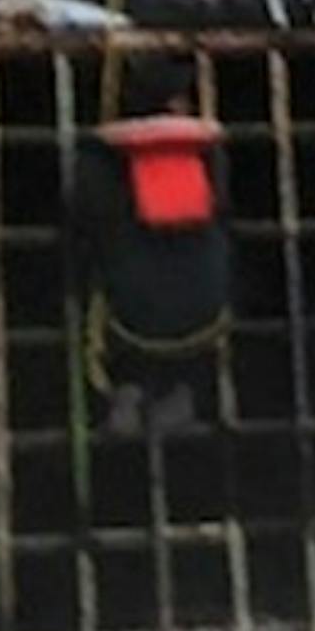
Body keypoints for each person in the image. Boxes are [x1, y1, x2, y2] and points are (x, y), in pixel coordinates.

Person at [69, 52, 232, 439]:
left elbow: (83, 222)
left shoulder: (99, 159)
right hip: (205, 312)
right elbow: (222, 211)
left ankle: (122, 392)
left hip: (130, 315)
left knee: (98, 279)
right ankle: (182, 394)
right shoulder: (208, 153)